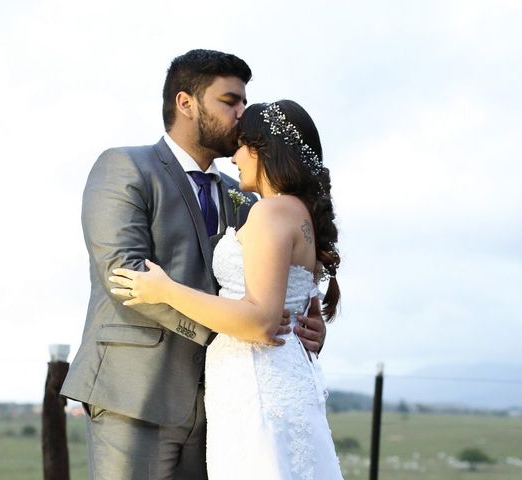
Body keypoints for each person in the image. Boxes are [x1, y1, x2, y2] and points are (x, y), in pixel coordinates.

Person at [60, 50, 327, 479]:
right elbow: (124, 274)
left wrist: (302, 322)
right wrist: (238, 327)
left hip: (220, 406)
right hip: (137, 395)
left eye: (243, 102)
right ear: (186, 103)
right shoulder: (125, 167)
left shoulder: (243, 193)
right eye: (230, 101)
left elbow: (263, 278)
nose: (242, 115)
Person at [110, 100, 343, 479]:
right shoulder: (299, 214)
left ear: (261, 150)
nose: (233, 157)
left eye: (240, 145)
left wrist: (165, 291)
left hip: (257, 386)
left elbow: (260, 322)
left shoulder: (271, 212)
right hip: (280, 380)